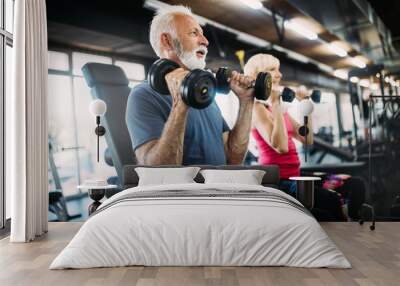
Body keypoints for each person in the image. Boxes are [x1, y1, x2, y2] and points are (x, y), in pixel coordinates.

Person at [126, 5, 255, 165]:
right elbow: (159, 174)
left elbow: (233, 159)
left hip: (219, 188)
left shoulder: (204, 94)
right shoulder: (144, 95)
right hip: (186, 191)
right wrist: (180, 105)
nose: (205, 41)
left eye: (202, 34)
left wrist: (246, 101)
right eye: (194, 33)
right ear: (167, 41)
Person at [244, 54, 346, 221]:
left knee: (351, 187)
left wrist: (305, 105)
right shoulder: (257, 108)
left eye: (278, 69)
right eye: (272, 70)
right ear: (257, 77)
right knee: (331, 205)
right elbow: (281, 147)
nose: (279, 74)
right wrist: (276, 104)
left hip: (295, 176)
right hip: (279, 182)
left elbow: (307, 139)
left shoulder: (278, 110)